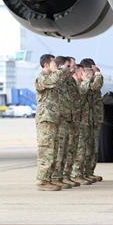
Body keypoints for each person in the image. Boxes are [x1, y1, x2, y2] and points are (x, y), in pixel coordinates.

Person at [35, 54, 61, 190]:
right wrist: (57, 70)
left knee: (53, 150)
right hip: (45, 119)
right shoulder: (42, 78)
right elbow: (53, 80)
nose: (55, 65)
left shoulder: (52, 77)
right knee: (46, 150)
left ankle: (49, 179)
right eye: (53, 63)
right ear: (46, 64)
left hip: (52, 118)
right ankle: (42, 181)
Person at [51, 55, 77, 188]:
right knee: (60, 150)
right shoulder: (55, 79)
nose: (73, 69)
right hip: (59, 119)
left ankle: (62, 176)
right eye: (70, 66)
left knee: (67, 150)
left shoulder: (68, 80)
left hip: (68, 119)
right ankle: (56, 177)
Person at [81, 58, 104, 182]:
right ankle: (82, 172)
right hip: (86, 119)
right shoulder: (85, 80)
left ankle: (89, 171)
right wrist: (97, 74)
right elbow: (95, 86)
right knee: (85, 147)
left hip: (93, 118)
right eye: (91, 68)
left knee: (93, 147)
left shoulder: (92, 78)